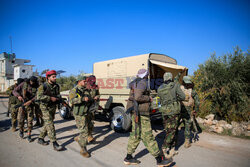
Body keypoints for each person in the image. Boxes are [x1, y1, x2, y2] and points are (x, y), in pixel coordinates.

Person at [124, 69, 172, 166]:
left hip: (136, 112)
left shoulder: (135, 82)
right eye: (147, 75)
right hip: (141, 113)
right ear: (145, 75)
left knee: (135, 135)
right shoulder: (142, 83)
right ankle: (159, 159)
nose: (148, 76)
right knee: (148, 136)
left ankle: (128, 157)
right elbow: (138, 97)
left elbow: (134, 97)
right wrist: (149, 98)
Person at [157, 71, 185, 158]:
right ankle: (164, 148)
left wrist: (160, 108)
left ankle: (172, 149)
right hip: (174, 111)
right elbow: (183, 97)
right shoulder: (175, 85)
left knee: (168, 130)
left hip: (164, 112)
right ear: (171, 77)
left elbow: (158, 101)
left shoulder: (159, 88)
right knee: (172, 131)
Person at [36, 70, 63, 151]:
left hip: (52, 107)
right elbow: (39, 97)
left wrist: (59, 100)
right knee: (50, 124)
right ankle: (54, 143)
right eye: (53, 77)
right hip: (44, 107)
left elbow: (58, 95)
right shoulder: (43, 86)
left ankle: (40, 138)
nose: (55, 78)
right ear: (48, 77)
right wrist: (50, 98)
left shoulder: (57, 86)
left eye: (55, 76)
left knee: (48, 123)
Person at [69, 76, 91, 158]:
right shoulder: (74, 90)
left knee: (86, 129)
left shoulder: (86, 90)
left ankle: (80, 139)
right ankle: (83, 149)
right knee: (84, 131)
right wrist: (82, 99)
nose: (85, 82)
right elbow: (71, 101)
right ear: (79, 81)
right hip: (79, 114)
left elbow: (89, 99)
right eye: (84, 81)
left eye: (86, 81)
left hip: (86, 112)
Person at [13, 76, 39, 142]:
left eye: (33, 82)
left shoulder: (37, 86)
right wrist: (18, 96)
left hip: (30, 106)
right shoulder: (23, 84)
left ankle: (29, 135)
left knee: (30, 121)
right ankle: (21, 131)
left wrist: (31, 101)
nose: (31, 83)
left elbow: (38, 95)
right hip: (22, 105)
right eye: (31, 81)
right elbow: (14, 91)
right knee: (20, 120)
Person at [180, 76, 200, 148]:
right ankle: (186, 142)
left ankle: (173, 142)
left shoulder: (179, 89)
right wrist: (195, 110)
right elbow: (197, 102)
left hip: (178, 109)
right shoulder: (192, 91)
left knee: (175, 126)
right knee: (187, 125)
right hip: (187, 110)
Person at [86, 75, 100, 143]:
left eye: (94, 80)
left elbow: (98, 94)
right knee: (85, 123)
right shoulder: (85, 86)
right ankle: (84, 137)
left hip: (92, 107)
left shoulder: (95, 86)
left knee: (91, 122)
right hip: (85, 107)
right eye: (92, 80)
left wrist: (97, 97)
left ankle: (89, 135)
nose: (93, 81)